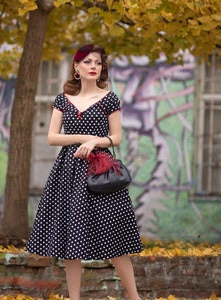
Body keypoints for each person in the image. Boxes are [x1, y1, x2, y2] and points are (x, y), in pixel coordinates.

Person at [25, 44, 143, 300]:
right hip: (68, 173)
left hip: (101, 171)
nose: (93, 67)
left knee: (116, 237)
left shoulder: (109, 98)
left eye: (98, 63)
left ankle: (135, 298)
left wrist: (94, 142)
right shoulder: (62, 99)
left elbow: (117, 137)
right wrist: (82, 137)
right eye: (88, 62)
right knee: (71, 241)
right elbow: (52, 137)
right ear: (76, 67)